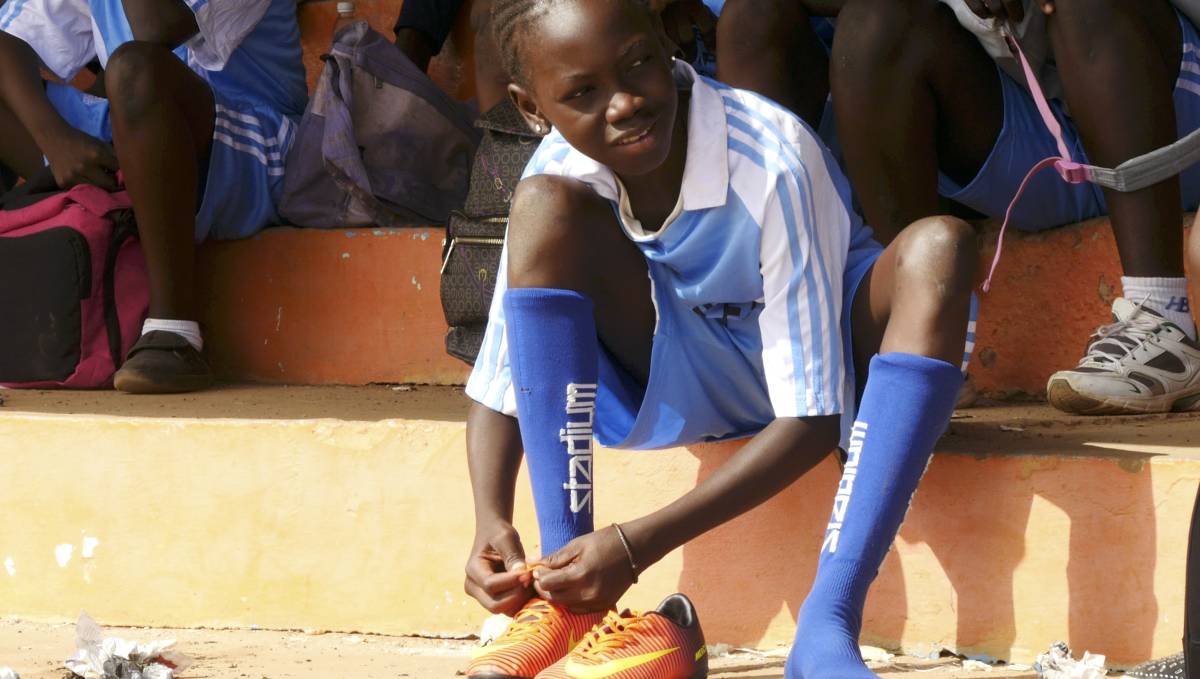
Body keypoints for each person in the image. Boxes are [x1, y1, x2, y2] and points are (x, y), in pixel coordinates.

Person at [461, 0, 977, 676]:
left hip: (823, 368)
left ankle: (828, 622)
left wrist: (636, 544)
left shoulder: (769, 153)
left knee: (940, 246)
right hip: (672, 366)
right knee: (542, 207)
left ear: (670, 39)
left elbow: (812, 417)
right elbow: (503, 376)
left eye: (638, 65)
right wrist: (490, 517)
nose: (622, 104)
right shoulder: (554, 171)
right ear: (532, 109)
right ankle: (568, 595)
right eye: (581, 92)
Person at [831, 0, 1200, 415]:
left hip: (1172, 126)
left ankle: (1162, 321)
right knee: (874, 23)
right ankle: (915, 348)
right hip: (1039, 147)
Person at [0, 0, 307, 393]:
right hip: (139, 131)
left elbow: (155, 27)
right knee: (119, 80)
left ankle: (173, 331)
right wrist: (54, 141)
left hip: (256, 150)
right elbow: (8, 41)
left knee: (136, 70)